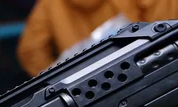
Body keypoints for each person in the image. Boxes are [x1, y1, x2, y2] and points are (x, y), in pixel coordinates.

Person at [17, 0, 178, 78]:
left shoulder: (50, 3)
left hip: (89, 90)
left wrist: (61, 79)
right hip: (146, 72)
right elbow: (165, 24)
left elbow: (30, 50)